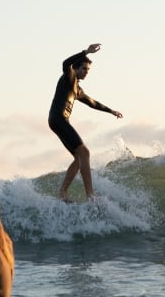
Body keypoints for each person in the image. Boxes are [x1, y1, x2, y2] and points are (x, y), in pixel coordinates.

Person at [48, 43, 123, 201]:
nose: (86, 72)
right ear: (76, 68)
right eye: (84, 69)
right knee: (85, 152)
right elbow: (64, 63)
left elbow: (92, 103)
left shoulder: (77, 89)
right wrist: (86, 52)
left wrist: (111, 111)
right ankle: (90, 195)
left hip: (59, 121)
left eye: (88, 70)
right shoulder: (68, 77)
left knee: (79, 157)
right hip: (58, 119)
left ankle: (62, 193)